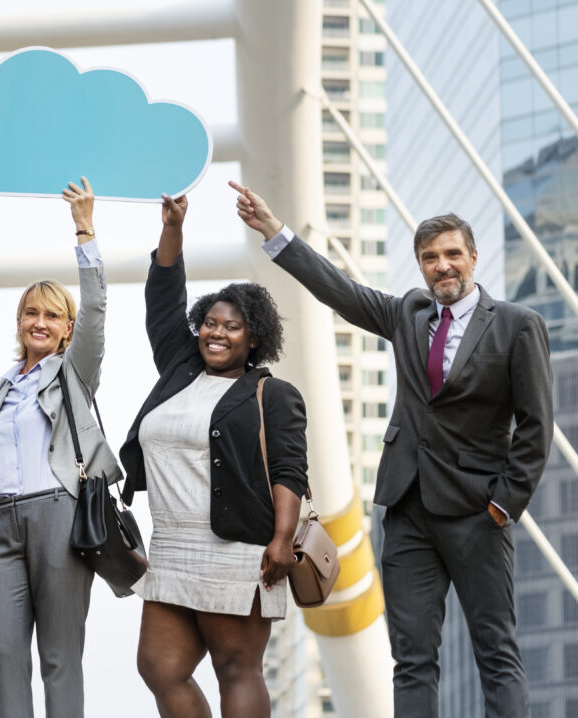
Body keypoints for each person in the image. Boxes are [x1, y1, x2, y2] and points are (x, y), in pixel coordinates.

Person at [233, 181, 553, 717]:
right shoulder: (409, 315)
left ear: (473, 257)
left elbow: (537, 426)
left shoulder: (519, 327)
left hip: (479, 513)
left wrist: (505, 502)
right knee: (410, 658)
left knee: (496, 652)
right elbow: (339, 290)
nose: (442, 266)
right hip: (407, 511)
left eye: (452, 254)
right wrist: (273, 231)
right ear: (421, 267)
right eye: (430, 258)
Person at [116, 194, 308, 718]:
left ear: (253, 340)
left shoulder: (273, 394)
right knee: (159, 667)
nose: (216, 333)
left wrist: (283, 539)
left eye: (231, 327)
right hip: (174, 545)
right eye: (210, 323)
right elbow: (163, 296)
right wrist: (173, 227)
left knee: (235, 669)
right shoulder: (180, 369)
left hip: (239, 548)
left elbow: (290, 471)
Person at [0, 177, 122, 718]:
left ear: (67, 329)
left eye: (52, 315)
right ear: (20, 322)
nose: (40, 323)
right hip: (1, 527)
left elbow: (96, 308)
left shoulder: (73, 374)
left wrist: (85, 229)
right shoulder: (0, 388)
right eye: (32, 313)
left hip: (58, 516)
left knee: (58, 654)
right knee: (5, 653)